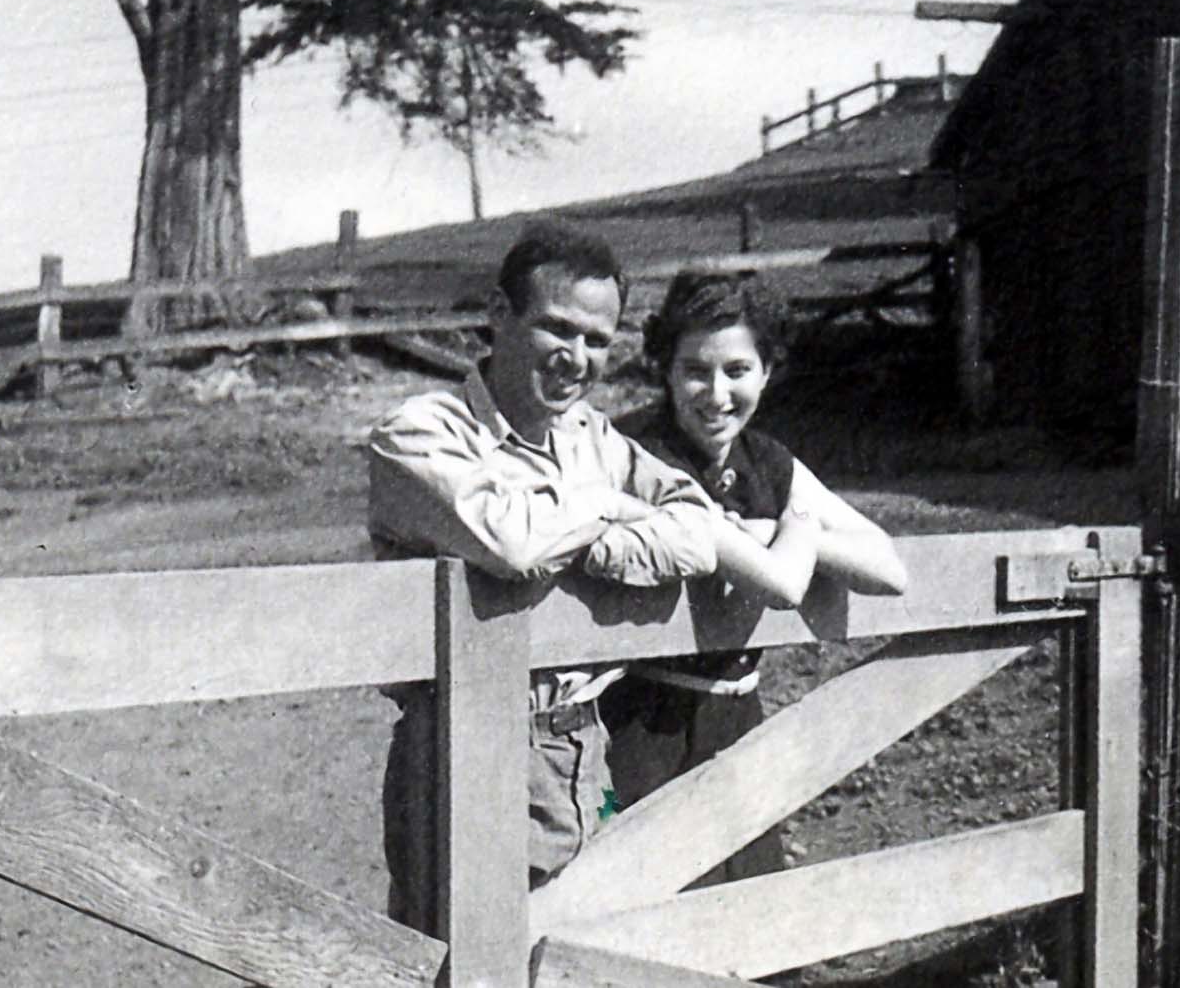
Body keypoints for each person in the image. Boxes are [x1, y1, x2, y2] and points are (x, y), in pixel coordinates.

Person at [365, 221, 721, 933]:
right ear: (500, 315)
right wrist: (608, 508)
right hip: (469, 743)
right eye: (558, 329)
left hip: (586, 737)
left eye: (598, 339)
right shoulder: (421, 434)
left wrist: (601, 549)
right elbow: (512, 541)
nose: (578, 358)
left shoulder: (593, 438)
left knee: (578, 953)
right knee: (464, 962)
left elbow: (698, 525)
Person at [601, 268, 909, 886]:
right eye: (695, 369)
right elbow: (779, 584)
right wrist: (776, 545)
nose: (716, 394)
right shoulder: (626, 450)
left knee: (749, 901)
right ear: (664, 369)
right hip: (639, 720)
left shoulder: (768, 461)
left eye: (738, 370)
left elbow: (888, 566)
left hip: (739, 718)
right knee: (641, 906)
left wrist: (789, 531)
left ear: (767, 371)